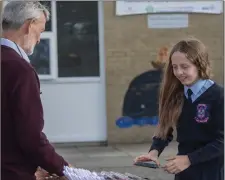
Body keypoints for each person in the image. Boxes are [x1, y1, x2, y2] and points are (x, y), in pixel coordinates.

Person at [134, 38, 224, 180]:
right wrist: (154, 152)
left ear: (200, 65)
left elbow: (221, 142)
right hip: (183, 173)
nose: (179, 72)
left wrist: (189, 159)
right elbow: (166, 128)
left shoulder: (219, 95)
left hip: (211, 173)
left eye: (184, 66)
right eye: (175, 67)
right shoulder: (175, 93)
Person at [1, 2, 70, 180]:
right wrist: (63, 169)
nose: (39, 39)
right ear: (29, 25)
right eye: (41, 30)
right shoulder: (19, 68)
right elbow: (29, 135)